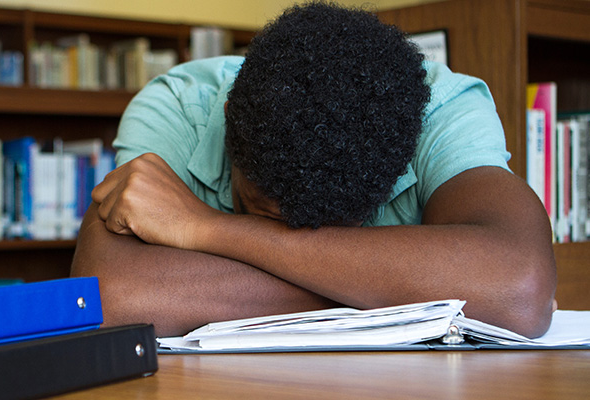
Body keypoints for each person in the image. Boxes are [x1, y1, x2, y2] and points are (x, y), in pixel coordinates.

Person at [70, 1, 557, 338]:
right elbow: (113, 292)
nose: (290, 237)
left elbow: (520, 287)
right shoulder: (180, 105)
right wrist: (397, 287)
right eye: (258, 211)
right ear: (228, 128)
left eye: (332, 229)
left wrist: (207, 228)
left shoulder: (439, 111)